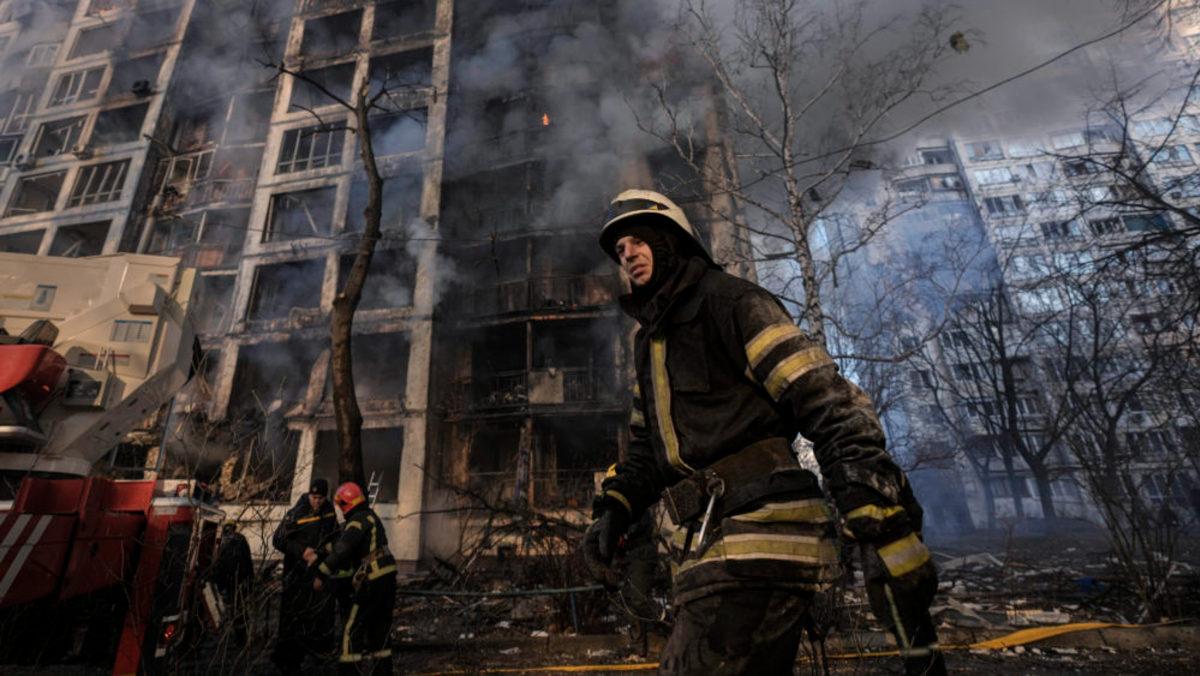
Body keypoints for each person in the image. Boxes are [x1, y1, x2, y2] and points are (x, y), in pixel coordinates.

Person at [583, 189, 944, 675]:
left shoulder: (731, 302)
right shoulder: (649, 343)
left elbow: (827, 400)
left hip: (763, 537)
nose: (625, 255)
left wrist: (872, 507)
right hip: (708, 550)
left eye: (636, 241)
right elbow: (649, 449)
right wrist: (616, 506)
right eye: (618, 250)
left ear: (670, 240)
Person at [313, 481, 397, 675]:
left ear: (346, 504)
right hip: (387, 575)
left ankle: (349, 671)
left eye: (340, 505)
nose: (340, 510)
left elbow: (343, 549)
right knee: (380, 630)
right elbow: (350, 549)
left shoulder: (357, 520)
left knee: (353, 628)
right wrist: (323, 551)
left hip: (373, 578)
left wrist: (321, 572)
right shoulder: (370, 516)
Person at [271, 478, 339, 672]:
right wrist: (302, 551)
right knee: (292, 616)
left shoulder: (329, 511)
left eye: (321, 498)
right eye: (314, 497)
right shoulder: (296, 513)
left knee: (319, 614)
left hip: (317, 574)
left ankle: (318, 652)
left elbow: (334, 536)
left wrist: (325, 554)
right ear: (309, 495)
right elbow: (277, 539)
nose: (317, 501)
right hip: (296, 575)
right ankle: (288, 659)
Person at [210, 521, 254, 646]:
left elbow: (218, 564)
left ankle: (238, 638)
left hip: (229, 582)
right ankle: (241, 638)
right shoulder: (241, 539)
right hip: (240, 581)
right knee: (239, 610)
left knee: (231, 610)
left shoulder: (222, 541)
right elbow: (248, 561)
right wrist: (250, 582)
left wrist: (218, 582)